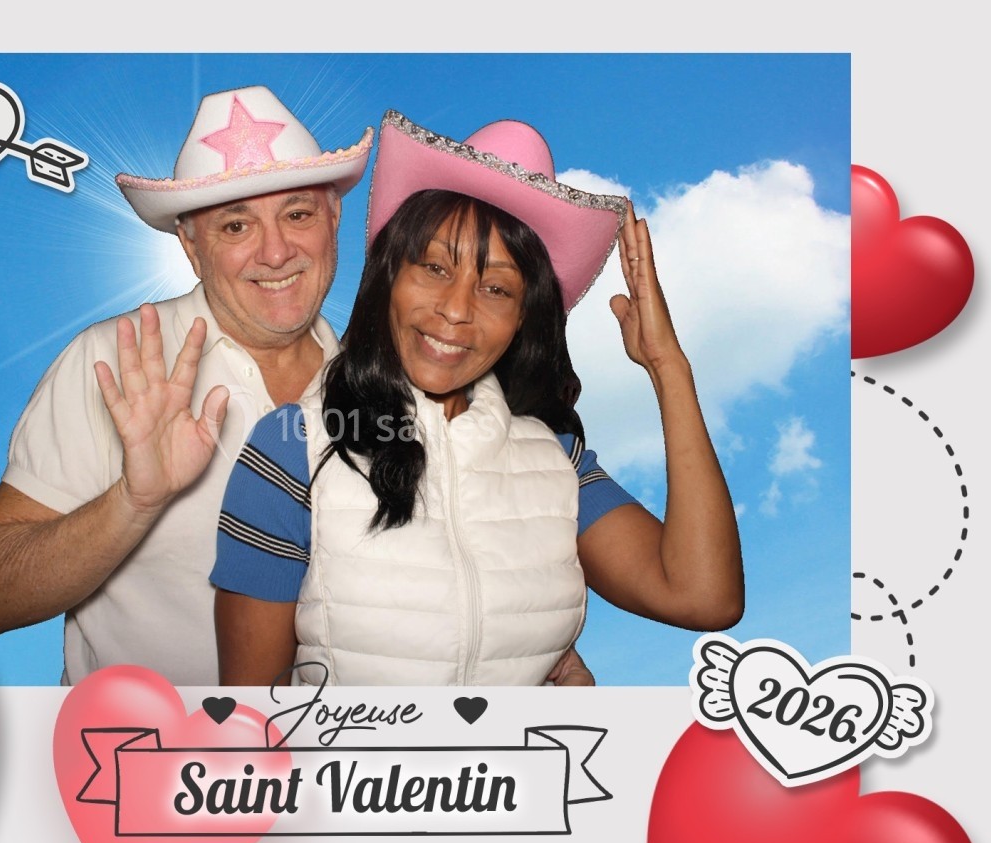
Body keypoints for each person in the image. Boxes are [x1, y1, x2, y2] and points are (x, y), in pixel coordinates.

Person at [211, 111, 744, 686]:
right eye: (434, 267)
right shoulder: (292, 449)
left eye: (496, 288)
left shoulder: (556, 462)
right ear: (390, 274)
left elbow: (703, 598)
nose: (457, 310)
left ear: (523, 319)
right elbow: (249, 721)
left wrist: (669, 367)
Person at [0, 85, 373, 685]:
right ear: (191, 248)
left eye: (297, 214)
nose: (276, 252)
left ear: (334, 219)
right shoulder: (115, 363)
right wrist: (134, 501)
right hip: (137, 758)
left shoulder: (378, 383)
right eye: (235, 225)